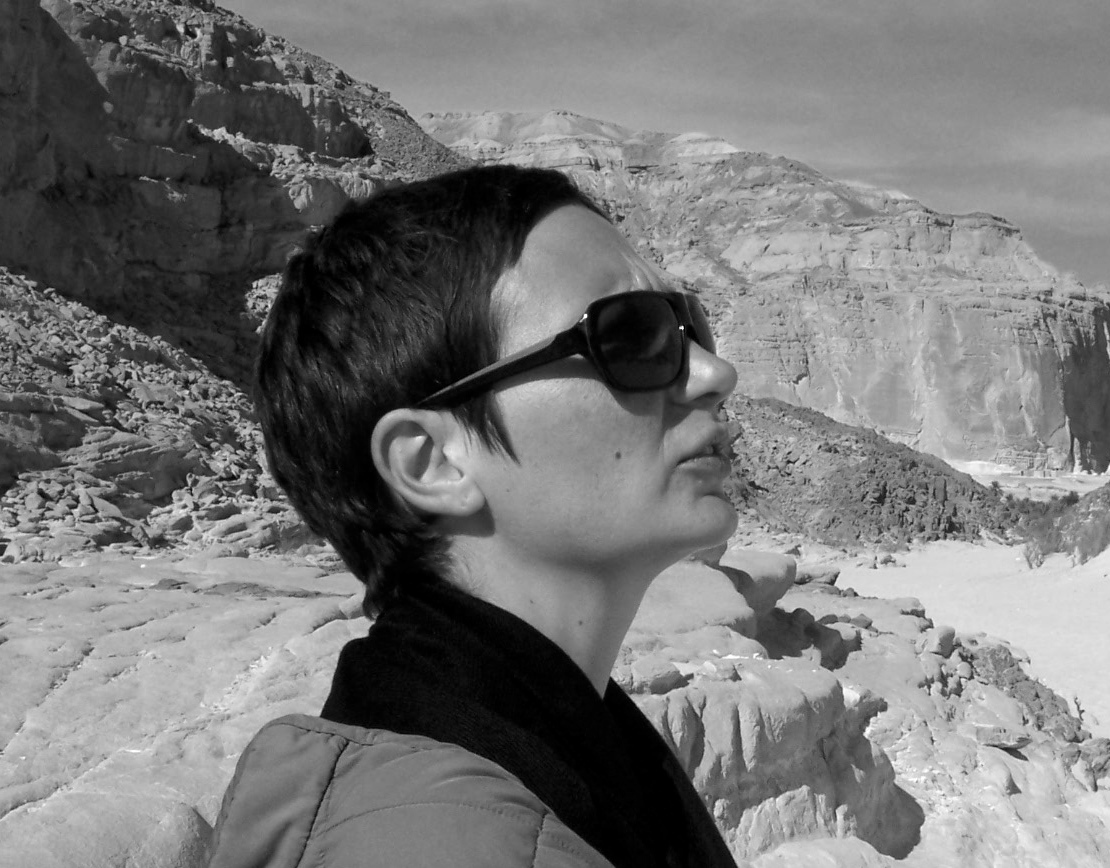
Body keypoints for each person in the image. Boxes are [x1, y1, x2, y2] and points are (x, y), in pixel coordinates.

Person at [208, 165, 741, 868]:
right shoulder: (422, 841)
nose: (714, 374)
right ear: (434, 463)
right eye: (631, 336)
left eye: (689, 325)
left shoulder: (567, 760)